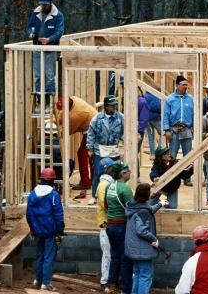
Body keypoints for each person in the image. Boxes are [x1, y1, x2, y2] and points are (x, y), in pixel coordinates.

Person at [26, 167, 65, 291]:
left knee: (40, 255)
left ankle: (38, 280)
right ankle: (46, 283)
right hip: (50, 231)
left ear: (41, 180)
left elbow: (28, 214)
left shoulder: (32, 194)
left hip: (38, 230)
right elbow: (58, 215)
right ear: (52, 181)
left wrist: (32, 228)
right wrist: (60, 230)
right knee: (49, 257)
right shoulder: (53, 195)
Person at [26, 0, 65, 110]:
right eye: (41, 4)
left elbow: (60, 31)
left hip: (50, 48)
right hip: (37, 47)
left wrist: (50, 39)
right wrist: (30, 33)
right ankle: (40, 102)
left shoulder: (58, 15)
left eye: (45, 5)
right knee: (38, 76)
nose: (43, 7)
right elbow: (29, 26)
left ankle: (49, 102)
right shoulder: (36, 13)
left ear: (50, 4)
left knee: (49, 77)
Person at [124, 183, 163, 294]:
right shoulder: (143, 211)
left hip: (133, 248)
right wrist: (153, 239)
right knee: (145, 276)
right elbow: (142, 230)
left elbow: (146, 211)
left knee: (137, 274)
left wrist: (159, 204)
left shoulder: (133, 206)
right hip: (143, 250)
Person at [57, 95, 98, 198]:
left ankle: (86, 182)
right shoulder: (72, 100)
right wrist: (54, 119)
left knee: (85, 153)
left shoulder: (77, 114)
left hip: (94, 130)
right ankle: (91, 181)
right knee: (85, 154)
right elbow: (61, 115)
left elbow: (69, 130)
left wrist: (56, 130)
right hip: (90, 127)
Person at [87, 95, 124, 204]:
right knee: (98, 172)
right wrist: (90, 148)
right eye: (112, 106)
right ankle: (94, 195)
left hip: (114, 149)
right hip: (100, 149)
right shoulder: (97, 118)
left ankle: (114, 195)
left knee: (116, 172)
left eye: (115, 106)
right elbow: (91, 133)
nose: (114, 108)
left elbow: (125, 131)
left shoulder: (121, 117)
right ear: (106, 107)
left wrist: (123, 141)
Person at [105, 161, 134, 294]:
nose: (130, 173)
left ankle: (110, 285)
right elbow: (132, 209)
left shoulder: (109, 186)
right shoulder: (125, 189)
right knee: (124, 257)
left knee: (114, 256)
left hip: (110, 224)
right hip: (121, 225)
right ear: (123, 174)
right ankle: (124, 288)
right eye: (128, 171)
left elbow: (106, 205)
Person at [163, 76, 194, 187]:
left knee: (188, 156)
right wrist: (166, 130)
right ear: (177, 85)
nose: (186, 87)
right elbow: (166, 115)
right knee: (172, 155)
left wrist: (194, 129)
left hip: (186, 130)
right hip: (174, 130)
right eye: (183, 85)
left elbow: (194, 114)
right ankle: (172, 176)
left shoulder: (190, 99)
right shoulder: (170, 99)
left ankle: (187, 178)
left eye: (186, 85)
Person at [96, 158, 116, 292]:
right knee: (107, 254)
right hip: (106, 225)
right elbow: (105, 204)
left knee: (110, 254)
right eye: (112, 167)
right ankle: (105, 281)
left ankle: (108, 279)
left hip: (109, 224)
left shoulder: (108, 182)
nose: (114, 169)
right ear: (106, 169)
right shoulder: (103, 185)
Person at [144, 91, 162, 157]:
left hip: (147, 119)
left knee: (150, 136)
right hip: (156, 118)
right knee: (162, 133)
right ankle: (159, 151)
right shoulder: (156, 95)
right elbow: (158, 106)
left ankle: (152, 154)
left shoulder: (144, 96)